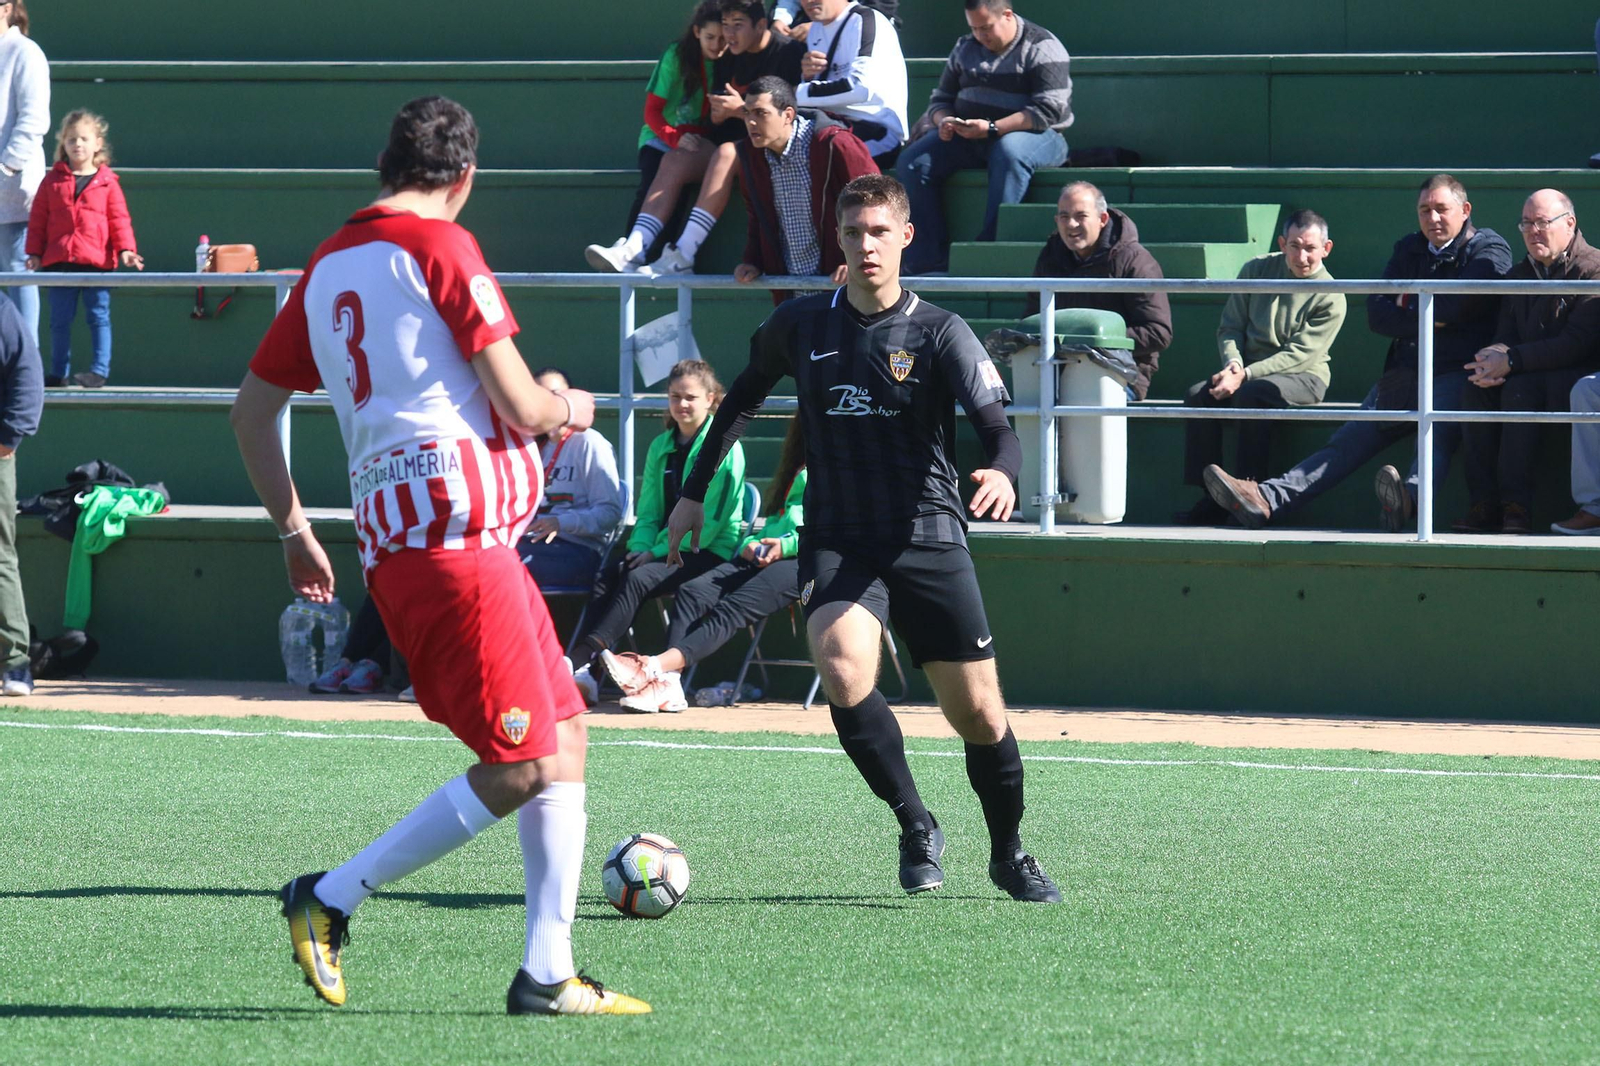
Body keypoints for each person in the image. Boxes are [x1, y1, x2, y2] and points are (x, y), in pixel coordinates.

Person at [230, 96, 649, 1015]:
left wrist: (295, 530)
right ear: (465, 178)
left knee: (564, 736)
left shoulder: (327, 265)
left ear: (387, 169)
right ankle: (330, 895)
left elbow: (252, 412)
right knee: (523, 763)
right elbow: (526, 408)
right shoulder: (443, 248)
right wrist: (573, 408)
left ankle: (548, 973)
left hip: (424, 543)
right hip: (455, 546)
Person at [666, 174, 1061, 904]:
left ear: (905, 236)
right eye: (853, 232)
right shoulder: (801, 325)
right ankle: (915, 823)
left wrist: (1003, 474)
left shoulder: (941, 331)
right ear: (839, 242)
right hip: (840, 536)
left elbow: (1000, 432)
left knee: (979, 715)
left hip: (928, 534)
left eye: (880, 231)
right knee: (845, 670)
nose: (867, 245)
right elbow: (741, 400)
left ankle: (1008, 853)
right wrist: (692, 493)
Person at [1202, 176, 1513, 531]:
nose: (1433, 218)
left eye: (1442, 209)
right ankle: (1267, 499)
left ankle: (1408, 501)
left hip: (1460, 373)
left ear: (1465, 210)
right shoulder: (1410, 248)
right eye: (1425, 210)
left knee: (1433, 433)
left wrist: (1408, 303)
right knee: (1347, 441)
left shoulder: (1489, 248)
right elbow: (1377, 314)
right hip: (1406, 372)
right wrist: (1431, 311)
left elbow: (1459, 306)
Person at [568, 358, 745, 711]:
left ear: (711, 399)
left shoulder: (728, 448)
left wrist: (654, 553)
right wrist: (641, 547)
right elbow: (648, 511)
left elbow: (709, 525)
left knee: (639, 577)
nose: (682, 404)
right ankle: (588, 677)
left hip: (706, 550)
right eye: (675, 396)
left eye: (691, 397)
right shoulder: (661, 446)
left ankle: (581, 660)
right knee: (612, 574)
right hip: (663, 549)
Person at [603, 417, 807, 713]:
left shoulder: (844, 469)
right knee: (693, 592)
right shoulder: (799, 466)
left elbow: (831, 529)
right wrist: (756, 541)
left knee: (732, 607)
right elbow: (782, 519)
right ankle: (670, 686)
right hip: (767, 552)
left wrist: (786, 546)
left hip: (808, 559)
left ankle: (651, 668)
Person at [586, 0, 802, 276]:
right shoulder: (727, 56)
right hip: (728, 144)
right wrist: (719, 114)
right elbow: (715, 119)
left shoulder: (789, 52)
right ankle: (634, 248)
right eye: (726, 25)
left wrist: (741, 111)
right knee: (676, 158)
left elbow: (793, 116)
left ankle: (683, 255)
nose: (729, 35)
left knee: (726, 152)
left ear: (761, 25)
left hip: (769, 148)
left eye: (738, 25)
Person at [1175, 209, 1346, 525]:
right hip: (1246, 373)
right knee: (1199, 395)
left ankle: (1249, 492)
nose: (1302, 256)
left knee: (1252, 395)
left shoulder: (1332, 296)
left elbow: (1299, 355)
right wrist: (1234, 364)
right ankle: (1211, 497)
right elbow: (1230, 327)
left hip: (1305, 377)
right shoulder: (1256, 270)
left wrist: (1244, 375)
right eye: (1294, 246)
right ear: (1282, 244)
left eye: (1310, 248)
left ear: (1326, 248)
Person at [1455, 189, 1600, 535]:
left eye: (1542, 223)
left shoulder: (1593, 269)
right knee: (1475, 387)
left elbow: (1577, 344)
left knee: (1520, 389)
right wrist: (1491, 359)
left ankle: (1516, 507)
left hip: (1576, 373)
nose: (1533, 231)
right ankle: (1483, 504)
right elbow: (1507, 332)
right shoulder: (1520, 273)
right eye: (1526, 224)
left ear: (1570, 223)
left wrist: (1512, 360)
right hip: (1527, 367)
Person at [897, 0, 1071, 275]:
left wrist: (993, 128)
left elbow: (1047, 111)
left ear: (1007, 15)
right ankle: (926, 260)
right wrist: (945, 121)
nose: (980, 35)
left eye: (986, 28)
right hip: (971, 136)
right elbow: (940, 100)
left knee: (1009, 151)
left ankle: (989, 250)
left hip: (1039, 136)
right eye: (974, 28)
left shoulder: (1042, 46)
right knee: (913, 161)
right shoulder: (965, 47)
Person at [732, 75, 878, 300]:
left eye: (760, 113)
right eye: (746, 113)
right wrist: (753, 262)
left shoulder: (836, 145)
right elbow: (757, 217)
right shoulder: (750, 157)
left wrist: (857, 261)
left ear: (788, 115)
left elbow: (878, 210)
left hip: (849, 291)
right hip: (792, 296)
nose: (751, 122)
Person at [26, 110, 143, 389]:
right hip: (60, 262)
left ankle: (99, 371)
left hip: (96, 262)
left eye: (83, 139)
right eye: (71, 139)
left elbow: (119, 219)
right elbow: (39, 220)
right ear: (63, 145)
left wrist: (126, 250)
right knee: (59, 321)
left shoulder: (108, 183)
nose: (77, 144)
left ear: (97, 144)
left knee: (98, 317)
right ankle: (58, 373)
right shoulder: (51, 181)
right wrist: (34, 253)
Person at [1027, 180, 1170, 399]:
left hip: (1119, 374)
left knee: (1080, 404)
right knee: (1024, 402)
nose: (1071, 224)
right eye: (1064, 216)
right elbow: (1031, 318)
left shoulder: (1135, 260)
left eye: (1081, 216)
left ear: (1102, 219)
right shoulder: (1050, 256)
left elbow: (1158, 333)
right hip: (1055, 370)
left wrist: (1091, 342)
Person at [617, 1, 725, 267]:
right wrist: (675, 138)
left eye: (723, 38)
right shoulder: (677, 55)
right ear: (697, 32)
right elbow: (652, 111)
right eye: (710, 37)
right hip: (661, 137)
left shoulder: (731, 59)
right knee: (651, 184)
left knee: (679, 193)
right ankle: (628, 253)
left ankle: (660, 260)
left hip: (699, 144)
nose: (717, 45)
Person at [520, 366, 625, 588]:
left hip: (577, 549)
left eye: (555, 395)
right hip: (531, 542)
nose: (548, 404)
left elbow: (610, 513)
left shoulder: (590, 443)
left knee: (509, 571)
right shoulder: (531, 446)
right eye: (540, 396)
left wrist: (560, 522)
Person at [795, 0, 908, 165]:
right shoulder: (816, 29)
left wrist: (797, 93)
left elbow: (860, 88)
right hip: (829, 123)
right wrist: (808, 77)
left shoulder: (866, 19)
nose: (808, 1)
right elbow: (821, 93)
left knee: (816, 156)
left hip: (879, 132)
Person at [0, 284, 40, 697]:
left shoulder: (2, 310)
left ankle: (15, 664)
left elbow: (27, 372)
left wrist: (9, 436)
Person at [0, 1, 47, 346]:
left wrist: (6, 166)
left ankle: (25, 361)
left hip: (14, 193)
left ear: (6, 9)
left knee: (18, 273)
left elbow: (33, 120)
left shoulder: (25, 52)